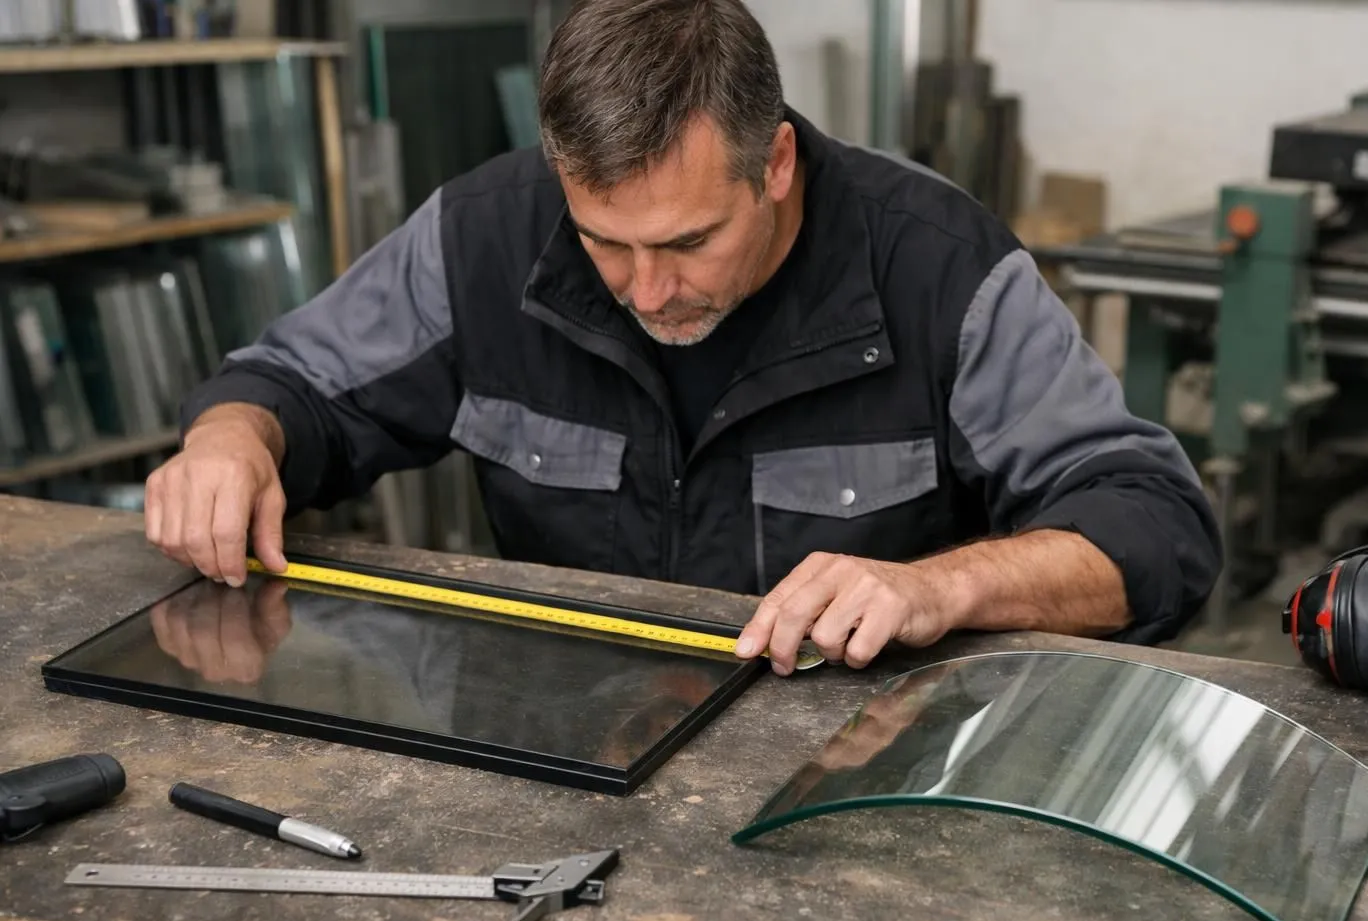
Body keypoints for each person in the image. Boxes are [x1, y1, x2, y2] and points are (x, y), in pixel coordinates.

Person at [145, 0, 1221, 678]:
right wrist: (234, 438)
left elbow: (1152, 524)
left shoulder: (939, 268)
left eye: (690, 240)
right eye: (604, 241)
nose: (647, 290)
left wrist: (941, 587)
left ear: (779, 165)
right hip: (563, 738)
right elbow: (293, 383)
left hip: (854, 776)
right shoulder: (485, 232)